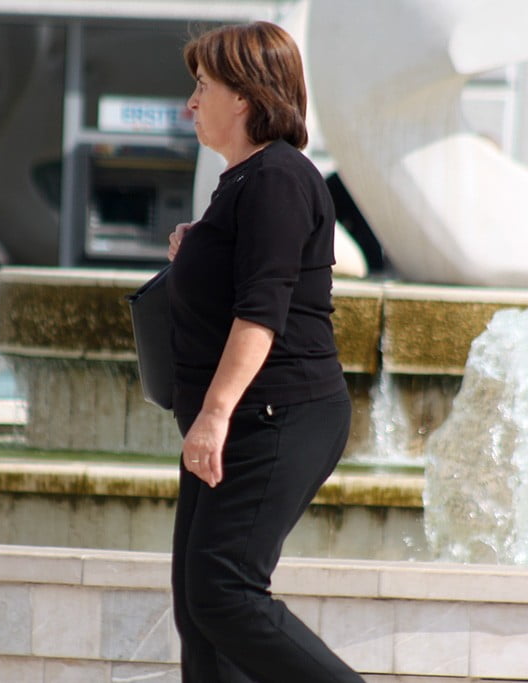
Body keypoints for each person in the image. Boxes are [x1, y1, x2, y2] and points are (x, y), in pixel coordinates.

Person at [165, 21, 364, 682]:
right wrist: (196, 248)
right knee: (201, 608)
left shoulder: (278, 177)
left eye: (203, 87)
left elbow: (262, 310)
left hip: (277, 414)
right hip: (248, 417)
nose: (191, 103)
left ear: (244, 97)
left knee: (224, 592)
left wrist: (214, 414)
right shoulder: (244, 180)